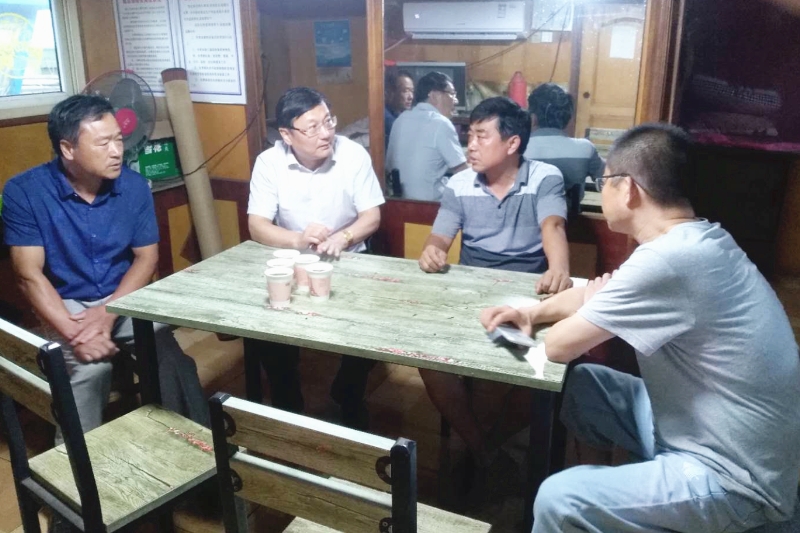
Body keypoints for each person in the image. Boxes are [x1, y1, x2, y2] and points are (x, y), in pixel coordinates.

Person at [481, 123, 800, 533]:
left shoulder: (670, 260)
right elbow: (596, 294)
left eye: (604, 182)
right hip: (712, 434)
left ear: (628, 188)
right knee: (586, 387)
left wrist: (586, 306)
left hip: (736, 480)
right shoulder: (695, 240)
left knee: (561, 500)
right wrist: (532, 314)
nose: (602, 190)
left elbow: (559, 346)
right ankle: (607, 509)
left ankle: (587, 510)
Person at [2, 94, 209, 435]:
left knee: (169, 357)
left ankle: (194, 441)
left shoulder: (133, 187)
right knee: (90, 370)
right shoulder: (25, 192)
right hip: (65, 301)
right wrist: (76, 334)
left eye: (119, 140)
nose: (117, 152)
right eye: (103, 143)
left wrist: (108, 311)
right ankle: (73, 461)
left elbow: (146, 258)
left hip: (122, 294)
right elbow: (28, 275)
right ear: (68, 148)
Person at [417, 97, 572, 473]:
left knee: (503, 373)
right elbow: (439, 238)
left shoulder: (544, 177)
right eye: (469, 135)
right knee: (428, 361)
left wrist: (559, 268)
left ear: (512, 143)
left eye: (481, 136)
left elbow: (553, 225)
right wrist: (432, 252)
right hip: (470, 294)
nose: (470, 145)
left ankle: (475, 452)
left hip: (525, 297)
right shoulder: (459, 184)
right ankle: (484, 451)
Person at [247, 86, 385, 428]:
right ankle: (288, 404)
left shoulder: (353, 154)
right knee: (269, 332)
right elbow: (257, 225)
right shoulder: (269, 162)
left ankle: (348, 393)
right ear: (286, 134)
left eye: (328, 121)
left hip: (348, 258)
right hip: (292, 261)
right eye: (312, 127)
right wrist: (297, 239)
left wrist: (344, 237)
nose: (325, 133)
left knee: (368, 331)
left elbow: (372, 215)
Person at [524, 83, 604, 218]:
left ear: (533, 118)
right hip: (570, 223)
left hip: (524, 222)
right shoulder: (585, 149)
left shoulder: (518, 149)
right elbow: (608, 178)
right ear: (568, 118)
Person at [386, 71, 468, 201]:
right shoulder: (441, 123)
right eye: (452, 94)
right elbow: (463, 172)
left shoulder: (400, 120)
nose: (456, 100)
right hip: (429, 206)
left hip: (399, 204)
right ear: (434, 95)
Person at [384, 68, 414, 148]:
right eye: (405, 91)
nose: (411, 97)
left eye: (412, 91)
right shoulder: (384, 116)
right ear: (390, 92)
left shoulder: (398, 113)